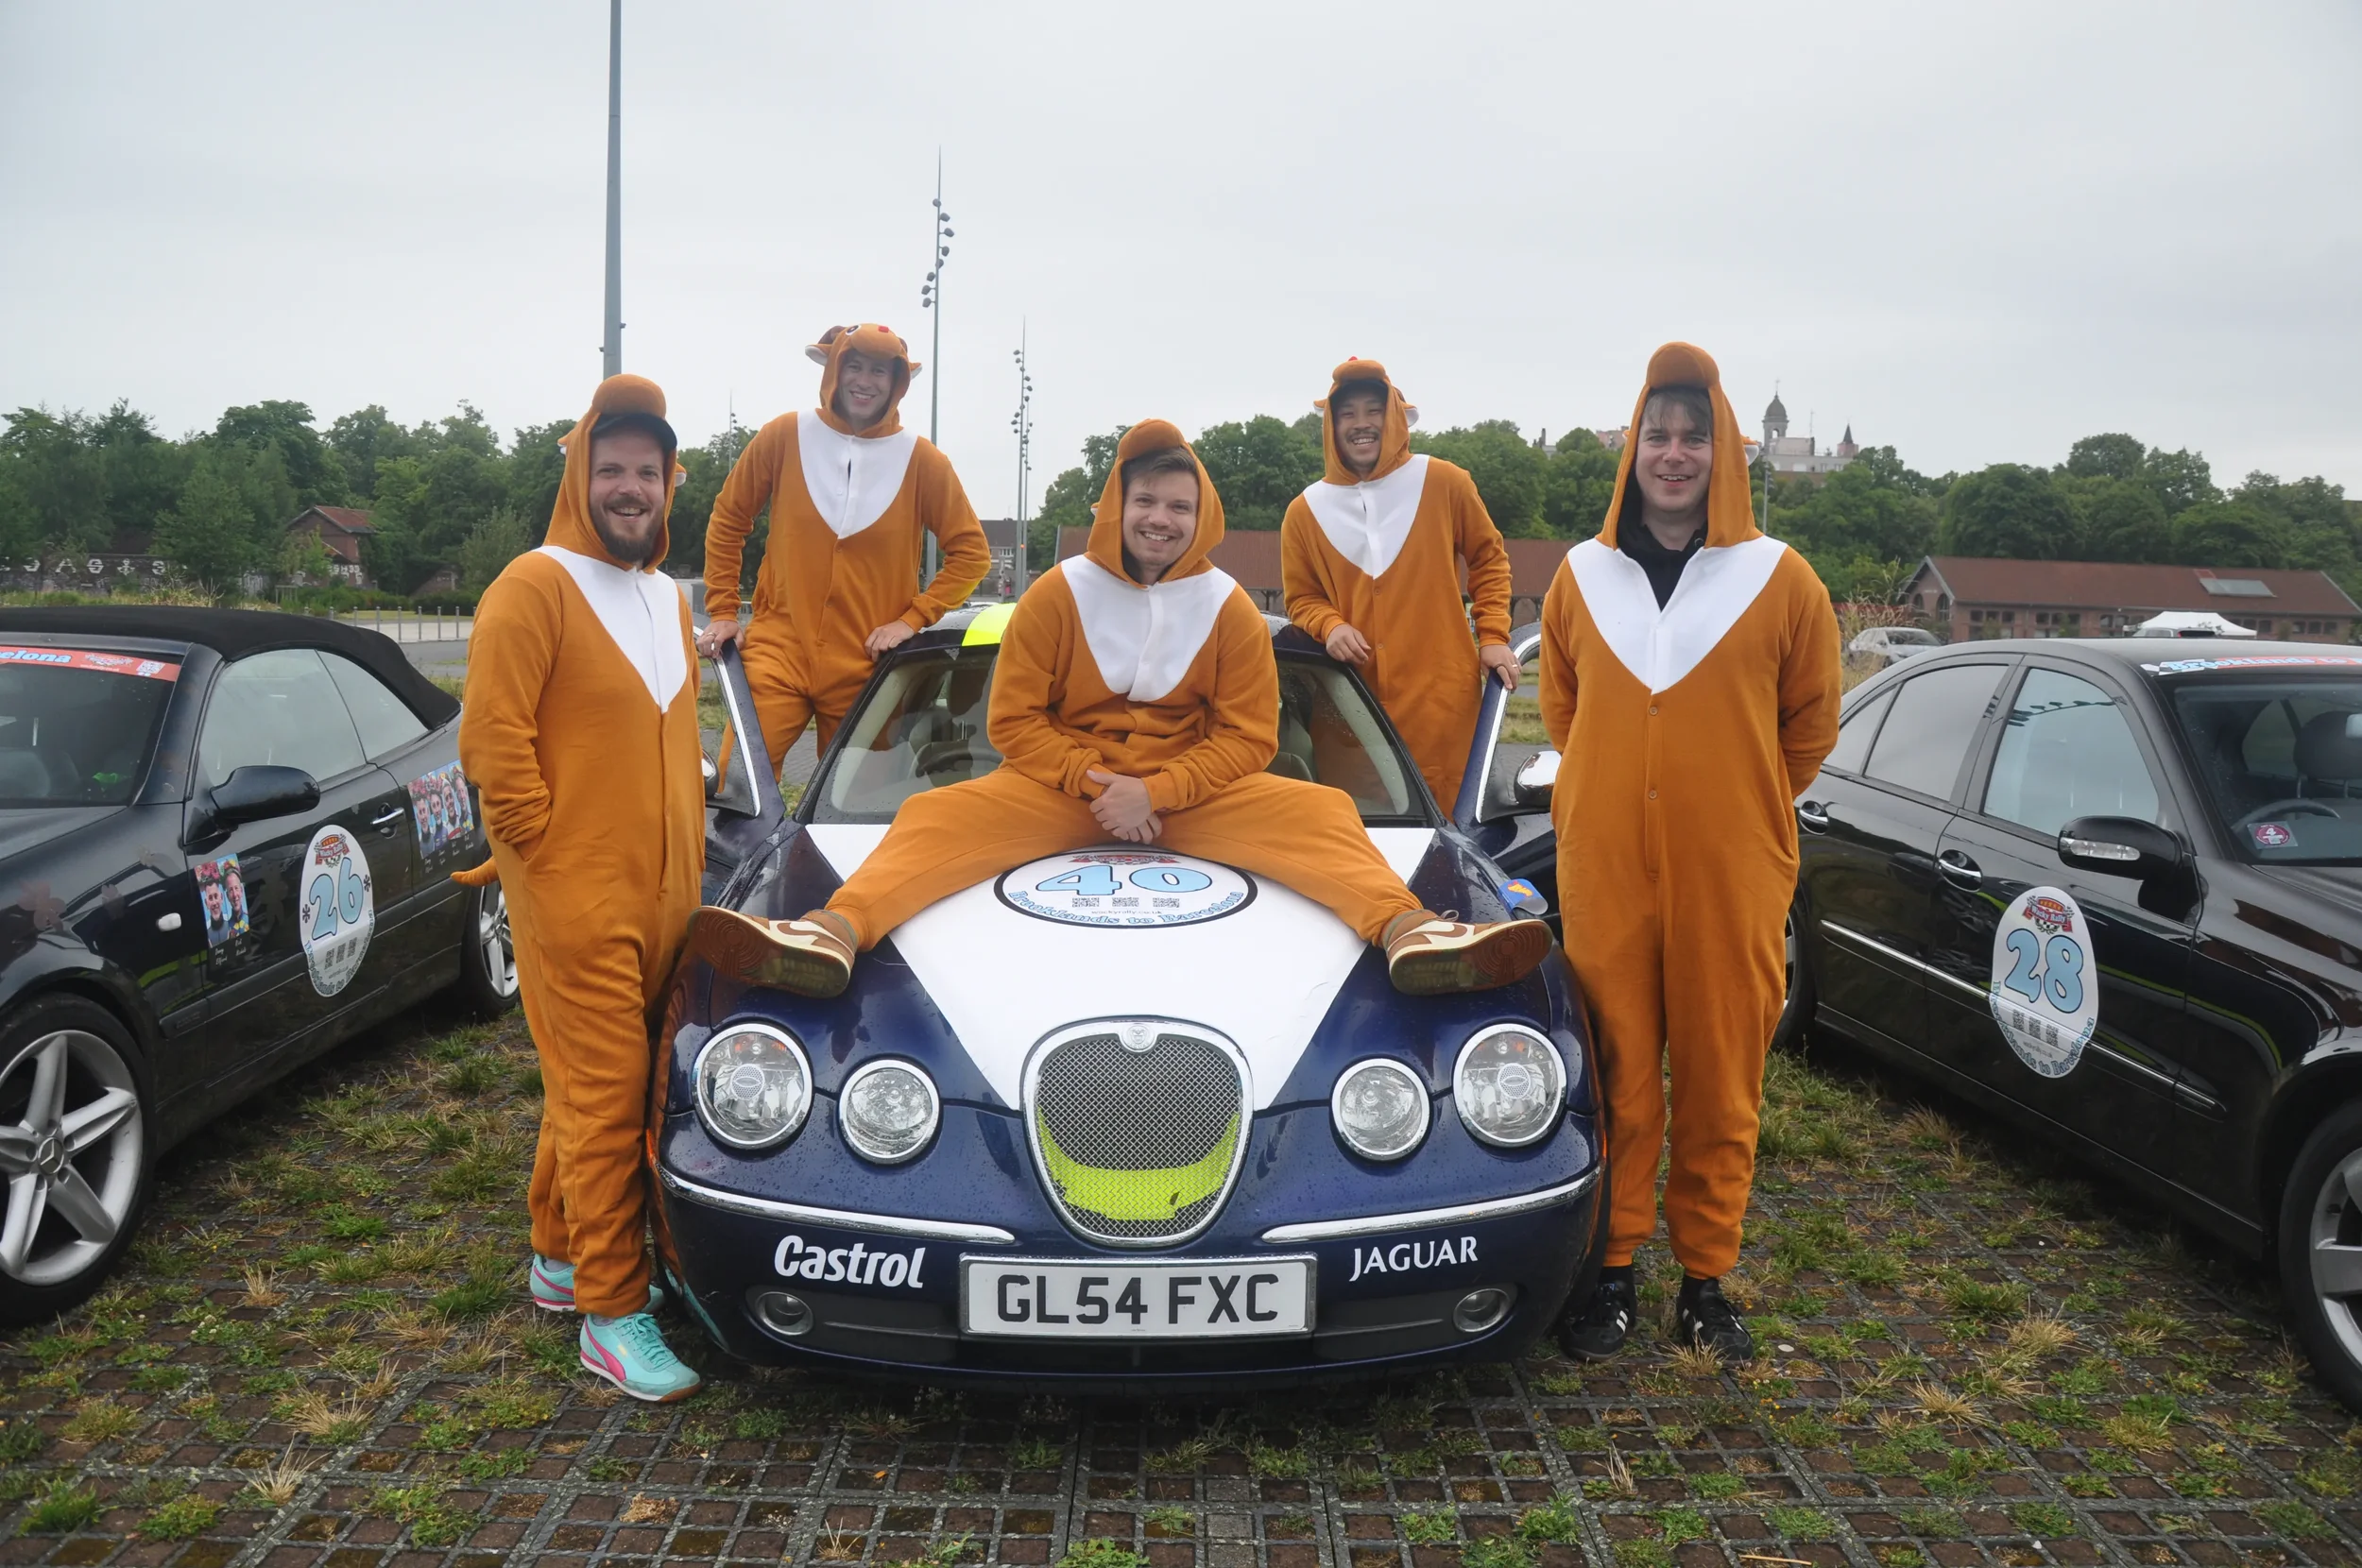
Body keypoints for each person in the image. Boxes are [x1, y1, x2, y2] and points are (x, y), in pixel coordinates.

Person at [684, 420, 1550, 999]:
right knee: (929, 818)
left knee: (1322, 813)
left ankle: (1414, 933)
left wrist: (1158, 793)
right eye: (1146, 502)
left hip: (1196, 797)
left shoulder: (1229, 610)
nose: (1160, 520)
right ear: (1118, 506)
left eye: (1178, 506)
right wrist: (1099, 784)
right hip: (1064, 791)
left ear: (1199, 513)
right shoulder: (1059, 595)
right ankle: (831, 931)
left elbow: (1250, 737)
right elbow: (1012, 724)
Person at [1541, 344, 1840, 1365]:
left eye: (1692, 437)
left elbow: (1807, 726)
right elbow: (1564, 708)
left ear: (1725, 453)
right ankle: (1614, 1266)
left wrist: (1732, 805)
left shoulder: (1780, 578)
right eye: (1656, 435)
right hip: (1605, 868)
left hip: (1732, 873)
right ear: (1634, 447)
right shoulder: (1582, 576)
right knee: (1618, 1068)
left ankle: (1706, 1278)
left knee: (1720, 1075)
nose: (1673, 455)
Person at [455, 374, 707, 1403]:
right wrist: (542, 861)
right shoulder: (534, 583)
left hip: (668, 901)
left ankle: (559, 1251)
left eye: (647, 472)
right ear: (581, 474)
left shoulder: (663, 596)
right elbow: (492, 739)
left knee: (618, 1084)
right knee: (606, 1099)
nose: (629, 487)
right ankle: (611, 1307)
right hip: (577, 900)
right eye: (611, 469)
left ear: (667, 483)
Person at [696, 323, 991, 771]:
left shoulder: (923, 459)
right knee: (739, 785)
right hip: (778, 650)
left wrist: (913, 619)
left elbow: (972, 553)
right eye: (853, 366)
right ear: (833, 368)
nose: (864, 381)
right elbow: (729, 518)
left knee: (857, 806)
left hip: (866, 662)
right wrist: (721, 609)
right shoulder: (784, 434)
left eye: (879, 371)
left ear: (897, 384)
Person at [1282, 359, 1515, 810]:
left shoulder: (1445, 482)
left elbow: (1489, 558)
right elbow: (1300, 598)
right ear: (1331, 424)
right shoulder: (1303, 511)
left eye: (1373, 410)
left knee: (1451, 837)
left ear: (1394, 415)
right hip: (1351, 717)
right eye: (1348, 414)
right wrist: (1329, 625)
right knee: (1360, 841)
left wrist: (1493, 636)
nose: (1362, 424)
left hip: (1443, 710)